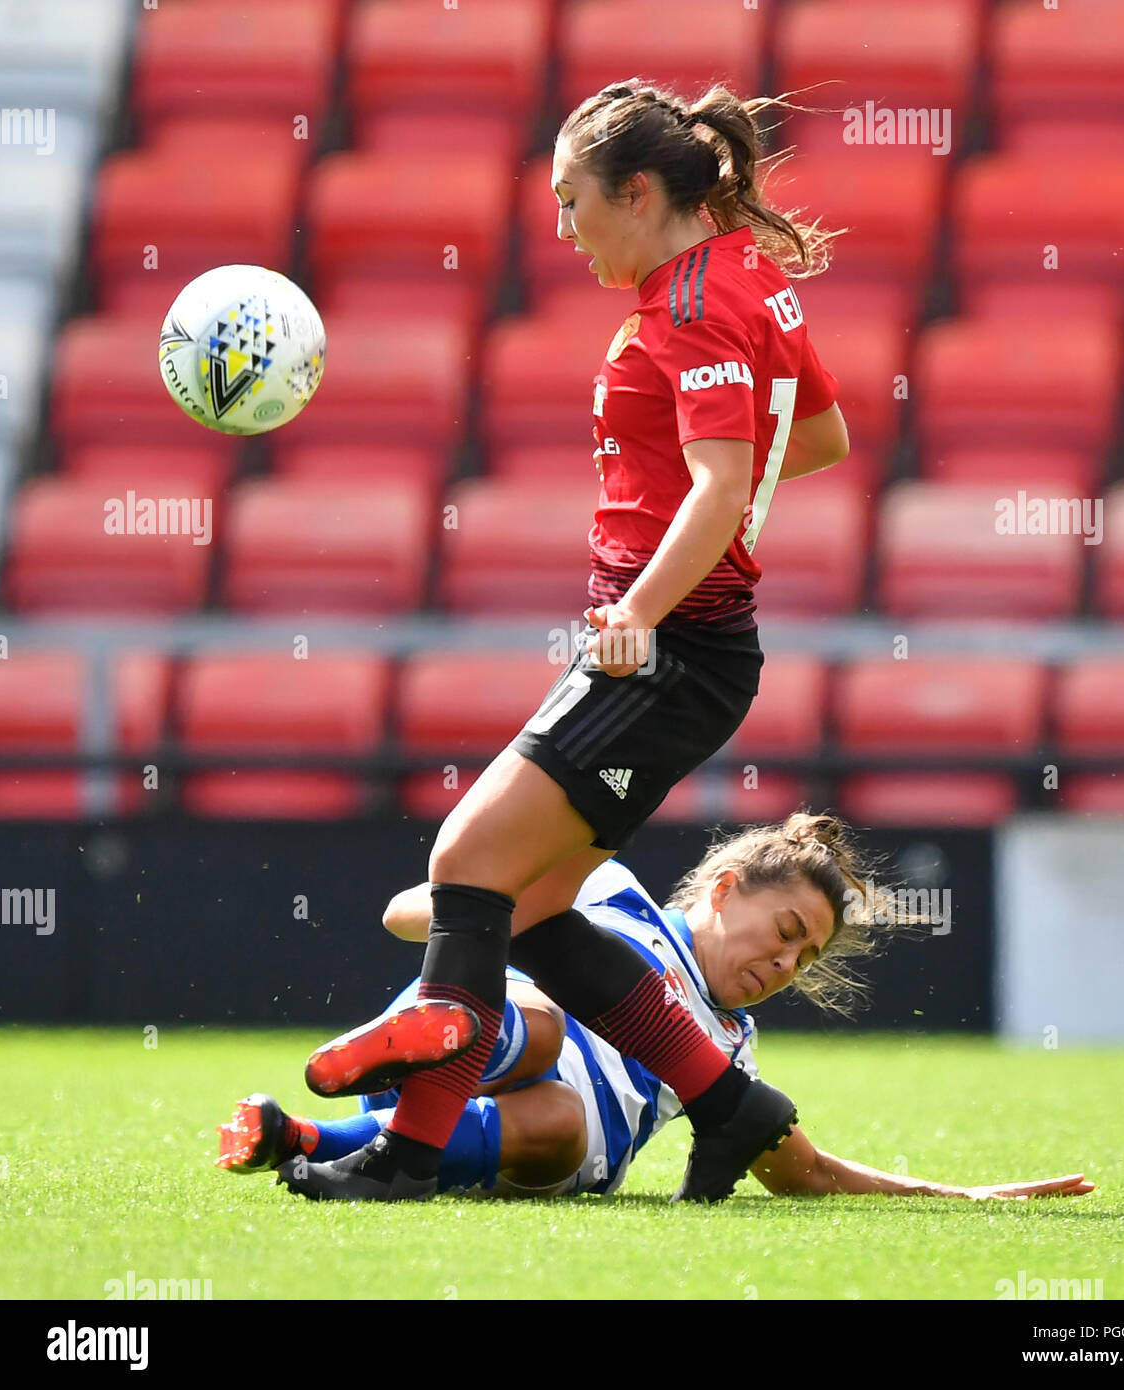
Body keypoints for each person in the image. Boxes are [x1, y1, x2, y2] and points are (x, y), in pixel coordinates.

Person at [283, 79, 853, 1205]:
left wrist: (642, 601)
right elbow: (823, 435)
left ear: (637, 193)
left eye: (571, 200)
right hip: (702, 645)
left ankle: (407, 1151)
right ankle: (731, 1106)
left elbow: (724, 479)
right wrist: (694, 528)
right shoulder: (746, 275)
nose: (561, 227)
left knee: (464, 868)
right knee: (530, 906)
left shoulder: (689, 303)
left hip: (668, 646)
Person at [218, 815, 1093, 1205]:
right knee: (546, 1027)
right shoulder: (611, 891)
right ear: (725, 888)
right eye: (784, 930)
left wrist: (968, 1193)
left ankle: (300, 1137)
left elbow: (808, 1172)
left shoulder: (731, 1050)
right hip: (478, 1041)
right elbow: (412, 911)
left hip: (531, 1136)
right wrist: (477, 912)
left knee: (561, 1122)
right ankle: (424, 1039)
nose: (786, 964)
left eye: (806, 957)